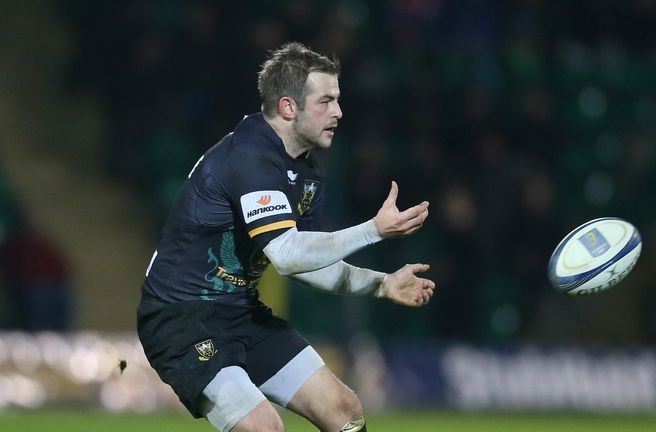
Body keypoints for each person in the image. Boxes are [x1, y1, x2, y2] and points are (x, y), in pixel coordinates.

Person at [137, 42, 435, 432]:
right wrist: (373, 231)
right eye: (325, 101)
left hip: (239, 312)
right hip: (180, 317)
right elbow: (288, 255)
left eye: (338, 100)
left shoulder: (305, 173)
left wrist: (381, 285)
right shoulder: (249, 157)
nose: (338, 112)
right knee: (265, 428)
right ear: (289, 107)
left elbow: (305, 265)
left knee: (343, 408)